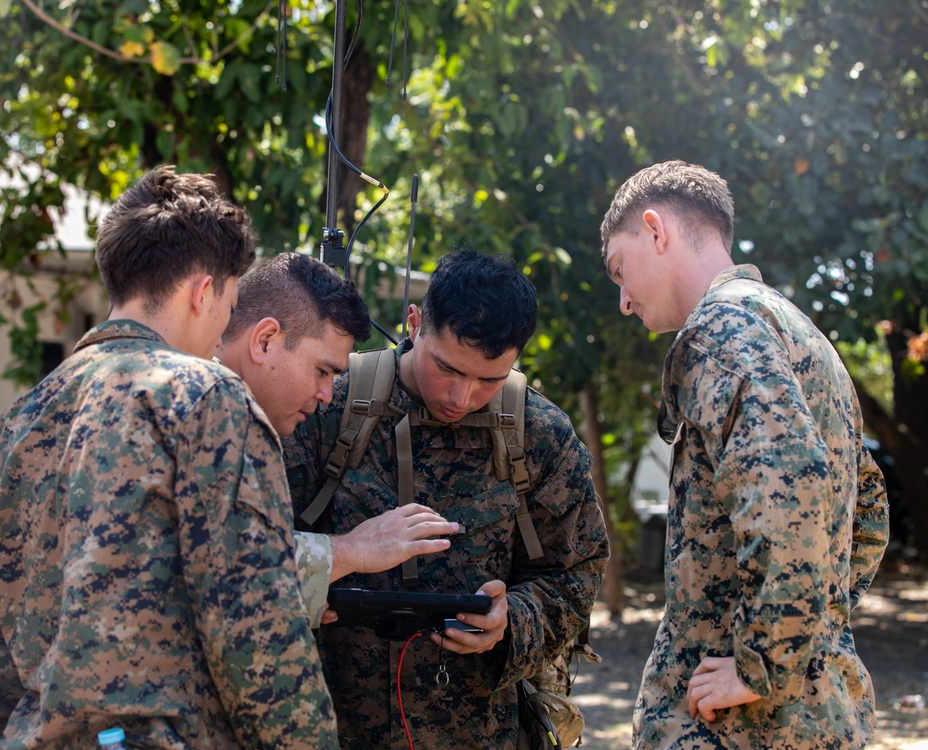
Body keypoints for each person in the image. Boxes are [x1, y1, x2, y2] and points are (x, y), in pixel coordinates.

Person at [0, 167, 338, 749]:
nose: (225, 324)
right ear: (204, 292)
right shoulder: (208, 398)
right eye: (229, 303)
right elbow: (257, 631)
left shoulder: (12, 427)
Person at [601, 160, 890, 748]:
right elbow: (869, 516)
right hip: (815, 710)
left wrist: (767, 660)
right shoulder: (796, 330)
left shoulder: (721, 330)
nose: (625, 301)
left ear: (656, 231)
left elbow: (792, 486)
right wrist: (814, 632)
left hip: (741, 726)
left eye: (619, 270)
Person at [285, 246, 610, 749]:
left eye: (489, 380)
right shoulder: (326, 405)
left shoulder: (537, 434)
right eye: (449, 369)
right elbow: (254, 551)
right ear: (415, 323)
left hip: (479, 732)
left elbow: (576, 572)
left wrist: (512, 621)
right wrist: (331, 565)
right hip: (330, 727)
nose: (462, 397)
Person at [215, 251, 460, 626]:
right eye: (322, 371)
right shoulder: (200, 413)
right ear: (265, 340)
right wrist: (352, 549)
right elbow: (222, 568)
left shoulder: (234, 417)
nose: (327, 394)